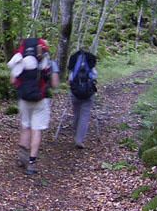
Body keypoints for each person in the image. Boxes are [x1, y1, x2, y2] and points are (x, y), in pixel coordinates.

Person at [8, 38, 60, 175]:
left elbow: (13, 80)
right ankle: (31, 163)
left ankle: (21, 158)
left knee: (26, 126)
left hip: (24, 98)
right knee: (36, 130)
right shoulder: (47, 60)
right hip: (40, 99)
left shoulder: (20, 57)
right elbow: (54, 84)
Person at [67, 49, 97, 149]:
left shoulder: (74, 63)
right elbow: (94, 76)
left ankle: (76, 132)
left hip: (75, 92)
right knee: (85, 115)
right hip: (88, 93)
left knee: (76, 113)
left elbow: (70, 78)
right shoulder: (90, 62)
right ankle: (79, 139)